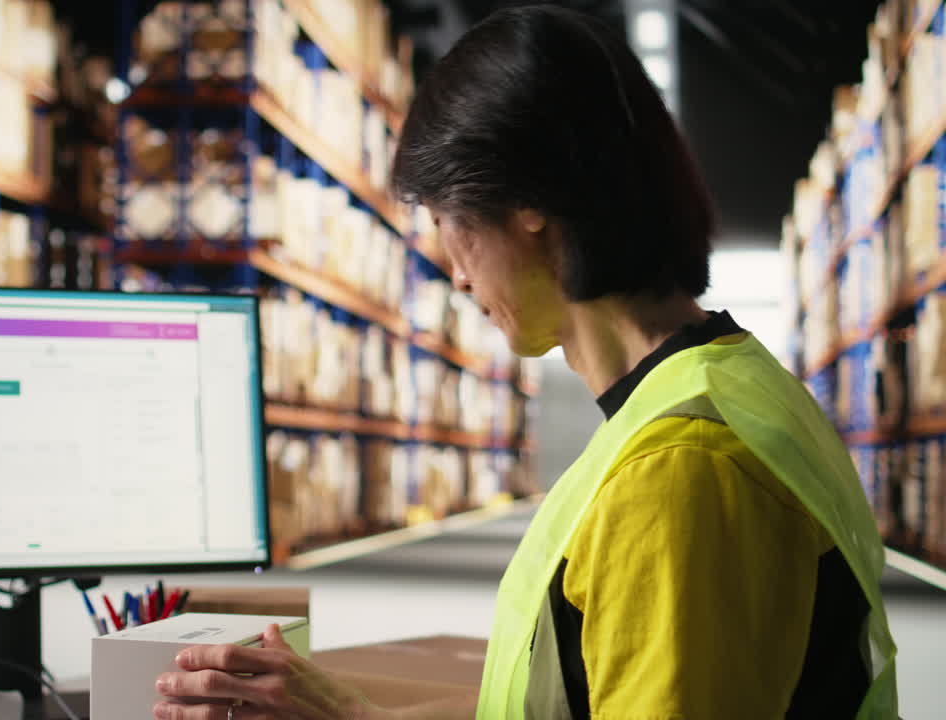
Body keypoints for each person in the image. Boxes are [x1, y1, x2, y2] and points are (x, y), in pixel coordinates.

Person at [152, 6, 898, 719]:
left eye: (448, 223)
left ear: (528, 202)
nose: (456, 273)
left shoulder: (681, 467)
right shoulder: (709, 391)